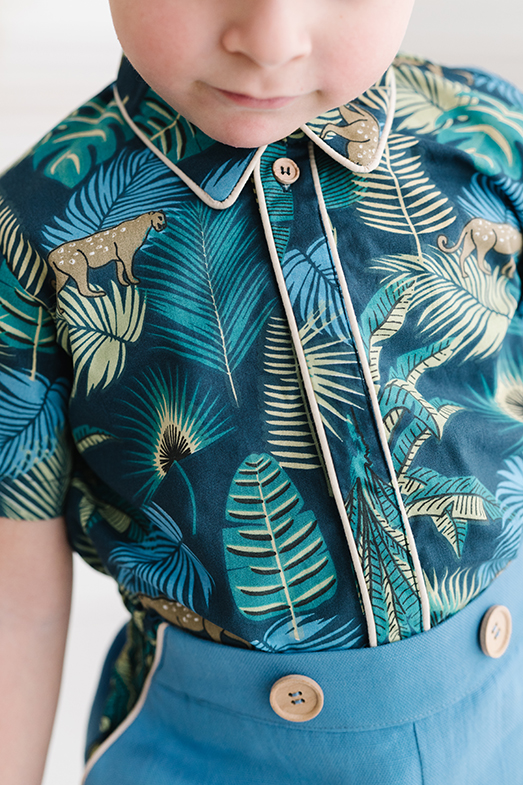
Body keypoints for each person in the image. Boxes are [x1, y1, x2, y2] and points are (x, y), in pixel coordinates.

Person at [1, 0, 523, 783]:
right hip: (208, 755)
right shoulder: (36, 235)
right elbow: (17, 606)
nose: (270, 42)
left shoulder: (488, 134)